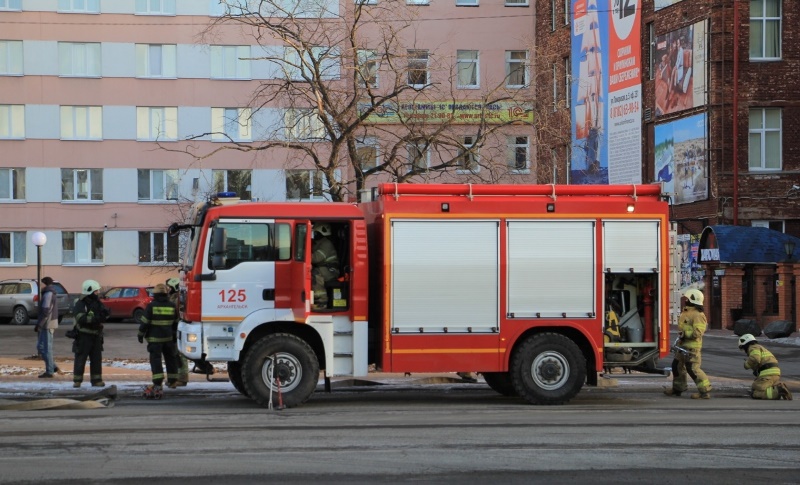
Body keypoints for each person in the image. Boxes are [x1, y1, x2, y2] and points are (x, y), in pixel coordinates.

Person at [664, 288, 712, 399]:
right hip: (683, 346)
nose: (685, 300)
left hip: (691, 348)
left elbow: (698, 332)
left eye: (687, 298)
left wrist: (685, 333)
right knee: (676, 366)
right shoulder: (687, 312)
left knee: (693, 369)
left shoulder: (698, 315)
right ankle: (678, 389)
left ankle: (704, 391)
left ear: (692, 300)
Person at [138, 283, 180, 398]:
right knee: (171, 359)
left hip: (155, 339)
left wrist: (140, 334)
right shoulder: (172, 306)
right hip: (168, 338)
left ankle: (157, 382)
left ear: (155, 294)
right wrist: (174, 336)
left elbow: (144, 322)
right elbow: (176, 322)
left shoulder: (152, 306)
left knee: (156, 360)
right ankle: (172, 381)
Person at [72, 279, 109, 388]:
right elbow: (80, 317)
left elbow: (103, 314)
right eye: (96, 291)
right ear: (90, 291)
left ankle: (97, 380)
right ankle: (77, 381)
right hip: (84, 335)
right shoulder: (80, 303)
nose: (97, 293)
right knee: (81, 358)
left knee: (96, 359)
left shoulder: (97, 302)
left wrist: (105, 315)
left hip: (96, 335)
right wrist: (94, 319)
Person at [738, 334, 793, 400]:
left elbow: (755, 358)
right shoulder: (760, 348)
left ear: (746, 344)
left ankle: (778, 391)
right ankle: (778, 388)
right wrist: (757, 370)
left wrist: (746, 364)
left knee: (755, 393)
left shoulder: (753, 347)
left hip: (768, 374)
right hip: (774, 372)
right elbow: (762, 361)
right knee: (755, 386)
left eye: (743, 348)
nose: (745, 351)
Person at [34, 276, 59, 378]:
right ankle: (52, 366)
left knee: (46, 348)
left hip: (48, 324)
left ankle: (49, 371)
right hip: (47, 324)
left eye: (40, 283)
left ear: (45, 284)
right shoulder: (48, 293)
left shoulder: (48, 294)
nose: (39, 286)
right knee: (40, 347)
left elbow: (45, 311)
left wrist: (39, 325)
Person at [166, 277, 189, 387]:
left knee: (180, 355)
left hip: (177, 328)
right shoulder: (175, 297)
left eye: (170, 287)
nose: (168, 289)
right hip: (175, 328)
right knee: (176, 354)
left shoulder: (176, 299)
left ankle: (182, 378)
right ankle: (178, 377)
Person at [311, 223, 339, 309]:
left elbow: (316, 258)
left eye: (315, 233)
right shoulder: (318, 243)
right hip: (325, 268)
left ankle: (322, 302)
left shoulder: (326, 244)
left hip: (331, 270)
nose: (313, 235)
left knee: (314, 273)